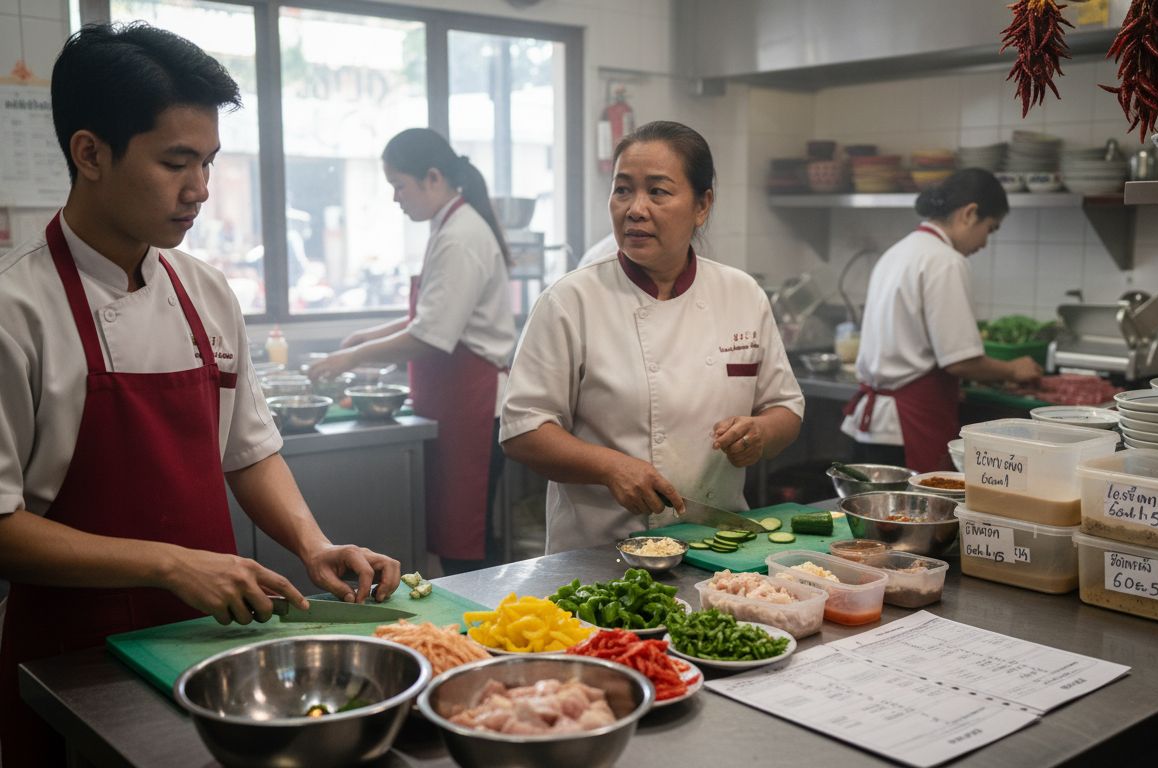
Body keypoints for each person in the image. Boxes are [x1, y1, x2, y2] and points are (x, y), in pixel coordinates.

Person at [0, 23, 401, 764]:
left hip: (212, 646)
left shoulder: (205, 290)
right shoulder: (15, 310)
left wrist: (313, 546)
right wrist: (170, 563)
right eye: (175, 162)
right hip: (70, 660)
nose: (200, 191)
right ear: (89, 153)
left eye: (209, 163)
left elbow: (248, 451)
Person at [499, 120, 805, 553]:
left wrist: (760, 433)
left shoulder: (741, 294)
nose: (635, 208)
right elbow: (522, 430)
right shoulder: (570, 300)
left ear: (702, 205)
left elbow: (785, 409)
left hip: (717, 547)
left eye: (657, 191)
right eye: (623, 190)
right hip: (599, 553)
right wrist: (611, 467)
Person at [306, 128, 515, 575]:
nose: (396, 198)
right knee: (455, 536)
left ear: (433, 177)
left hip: (474, 405)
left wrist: (351, 358)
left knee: (468, 544)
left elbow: (432, 335)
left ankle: (484, 633)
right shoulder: (450, 226)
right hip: (455, 399)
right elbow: (433, 317)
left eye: (399, 185)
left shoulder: (461, 235)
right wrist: (369, 337)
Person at [841, 168, 1042, 472]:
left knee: (877, 518)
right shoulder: (945, 260)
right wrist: (1013, 369)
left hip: (877, 425)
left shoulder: (899, 251)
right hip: (907, 429)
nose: (985, 243)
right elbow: (960, 361)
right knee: (906, 518)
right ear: (970, 213)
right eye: (990, 228)